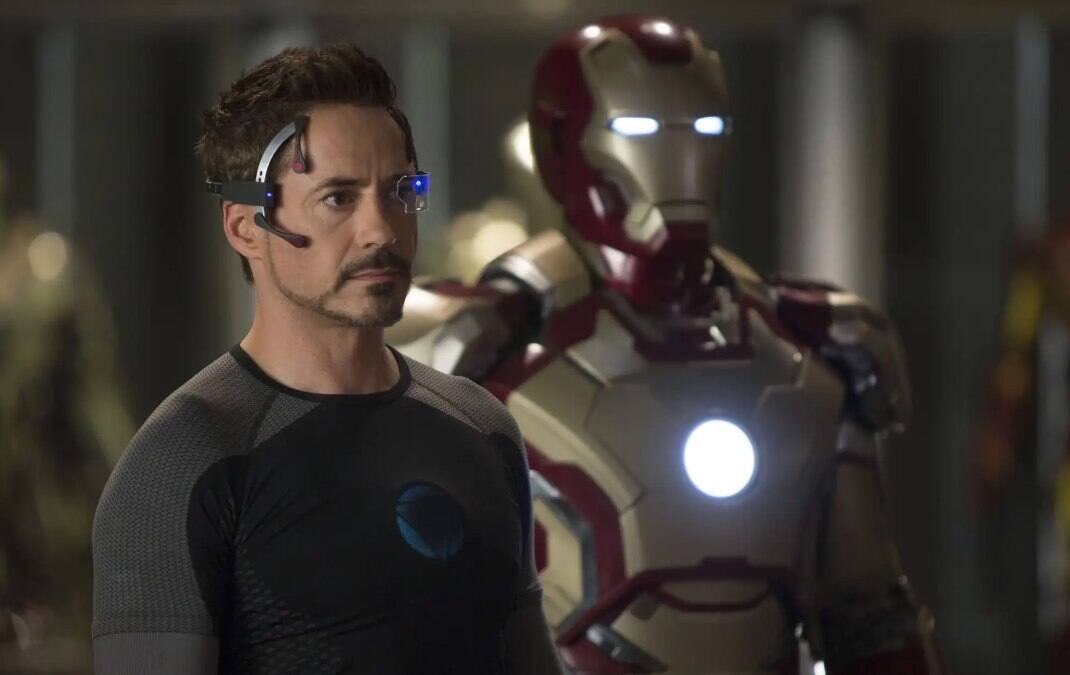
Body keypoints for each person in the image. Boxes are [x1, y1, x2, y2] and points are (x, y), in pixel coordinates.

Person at [387, 16, 944, 674]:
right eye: (640, 128)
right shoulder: (476, 342)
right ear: (564, 142)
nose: (679, 156)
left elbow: (869, 612)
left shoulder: (813, 349)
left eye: (704, 128)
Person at [91, 43, 564, 675]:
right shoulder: (184, 460)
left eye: (400, 191)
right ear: (245, 226)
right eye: (339, 198)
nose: (383, 230)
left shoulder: (482, 427)